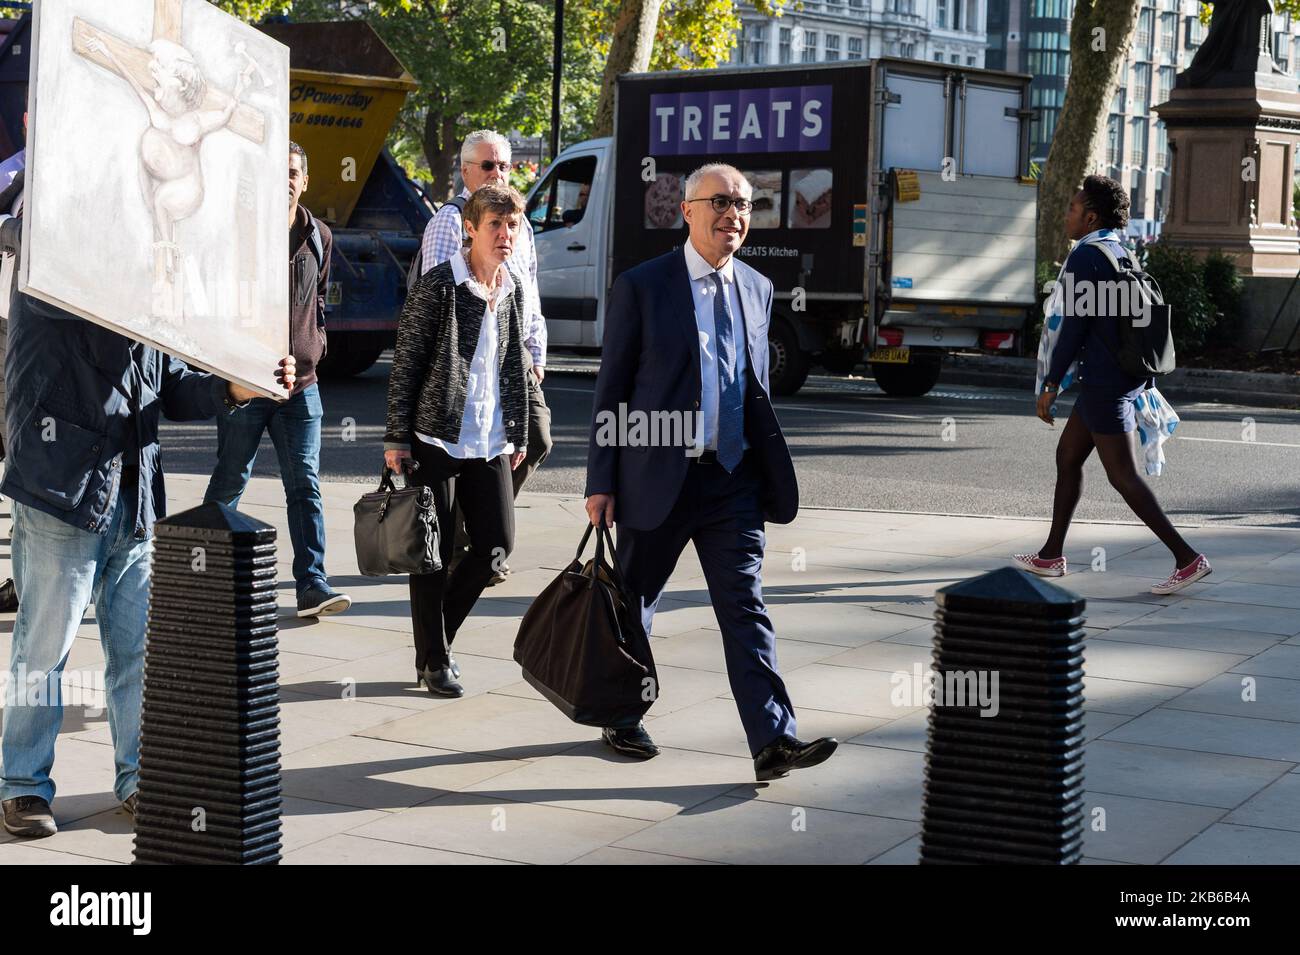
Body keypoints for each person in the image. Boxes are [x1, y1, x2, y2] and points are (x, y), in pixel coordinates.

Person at [0, 154, 294, 837]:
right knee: (45, 650)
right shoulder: (59, 267)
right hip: (60, 489)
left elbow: (169, 385)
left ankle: (139, 775)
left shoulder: (148, 290)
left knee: (138, 648)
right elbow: (105, 319)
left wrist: (236, 384)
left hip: (132, 492)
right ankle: (21, 783)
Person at [584, 162, 838, 782]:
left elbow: (754, 388)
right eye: (721, 202)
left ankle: (773, 739)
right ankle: (623, 714)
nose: (735, 215)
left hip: (734, 480)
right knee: (634, 603)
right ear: (688, 211)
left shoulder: (757, 288)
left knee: (745, 606)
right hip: (657, 475)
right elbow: (612, 387)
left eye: (746, 205)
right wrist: (601, 479)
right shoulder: (644, 286)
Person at [1015, 175, 1210, 595]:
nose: (1066, 215)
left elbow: (1075, 325)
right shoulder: (1120, 249)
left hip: (1106, 382)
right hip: (1115, 376)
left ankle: (1186, 557)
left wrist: (1051, 382)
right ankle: (1050, 554)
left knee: (1123, 475)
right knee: (1068, 457)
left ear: (1090, 216)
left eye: (1071, 209)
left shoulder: (1087, 256)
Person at [386, 184, 532, 698]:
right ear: (470, 228)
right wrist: (396, 436)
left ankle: (434, 636)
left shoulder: (511, 284)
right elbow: (406, 364)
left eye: (512, 225)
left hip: (490, 439)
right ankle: (434, 660)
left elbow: (512, 363)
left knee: (496, 544)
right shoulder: (439, 285)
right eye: (495, 224)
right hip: (437, 437)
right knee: (433, 551)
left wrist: (518, 429)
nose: (505, 235)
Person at [203, 142, 350, 618]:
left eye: (293, 172)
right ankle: (202, 576)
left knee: (304, 484)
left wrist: (315, 346)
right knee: (230, 478)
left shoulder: (320, 236)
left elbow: (320, 303)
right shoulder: (238, 233)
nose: (285, 179)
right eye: (277, 171)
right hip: (246, 383)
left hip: (301, 387)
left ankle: (313, 585)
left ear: (304, 180)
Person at [419, 130, 551, 585]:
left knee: (537, 439)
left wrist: (537, 351)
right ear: (465, 171)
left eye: (505, 166)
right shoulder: (450, 220)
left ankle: (479, 533)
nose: (497, 173)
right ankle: (463, 541)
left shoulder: (520, 222)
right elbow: (436, 298)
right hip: (461, 378)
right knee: (468, 465)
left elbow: (528, 292)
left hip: (514, 365)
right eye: (488, 166)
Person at [0, 120, 24, 615]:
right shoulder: (12, 175)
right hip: (3, 328)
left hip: (29, 341)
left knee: (26, 462)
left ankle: (26, 581)